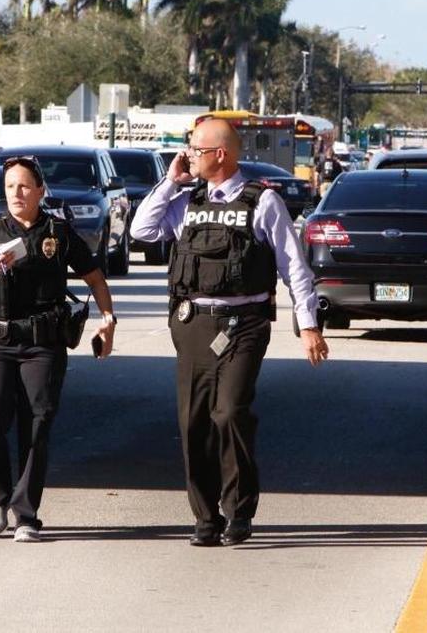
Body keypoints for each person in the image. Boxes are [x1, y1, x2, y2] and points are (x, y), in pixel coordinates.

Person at [130, 118, 329, 548]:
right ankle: (205, 518)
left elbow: (293, 266)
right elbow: (140, 230)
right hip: (194, 324)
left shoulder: (263, 202)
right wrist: (169, 182)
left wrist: (309, 324)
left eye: (195, 149)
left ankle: (238, 510)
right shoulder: (186, 201)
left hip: (245, 324)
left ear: (220, 154)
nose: (188, 155)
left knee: (230, 412)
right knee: (193, 422)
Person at [0, 155, 116, 542]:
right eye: (10, 186)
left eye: (25, 185)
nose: (17, 193)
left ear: (41, 191)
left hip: (42, 342)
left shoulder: (57, 233)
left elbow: (95, 278)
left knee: (36, 426)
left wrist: (108, 320)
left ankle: (25, 515)